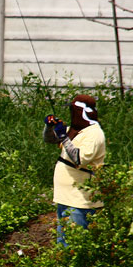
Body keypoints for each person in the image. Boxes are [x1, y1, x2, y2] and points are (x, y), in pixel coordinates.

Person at [42, 94, 106, 245]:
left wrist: (64, 136)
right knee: (63, 243)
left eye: (73, 110)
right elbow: (50, 139)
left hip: (80, 201)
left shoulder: (94, 134)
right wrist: (49, 126)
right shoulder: (76, 130)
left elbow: (79, 158)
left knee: (75, 244)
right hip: (65, 197)